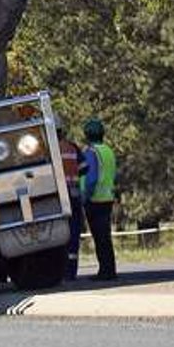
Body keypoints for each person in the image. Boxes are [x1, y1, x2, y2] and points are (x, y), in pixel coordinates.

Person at [80, 117, 118, 281]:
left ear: (87, 135)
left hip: (95, 200)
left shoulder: (91, 152)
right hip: (107, 198)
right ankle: (110, 269)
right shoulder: (108, 151)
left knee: (100, 238)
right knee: (105, 237)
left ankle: (105, 272)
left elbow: (92, 178)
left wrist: (85, 197)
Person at [55, 119, 84, 279]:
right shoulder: (72, 147)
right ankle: (71, 272)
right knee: (73, 232)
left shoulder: (47, 149)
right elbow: (84, 168)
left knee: (59, 233)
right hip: (73, 194)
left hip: (57, 197)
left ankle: (60, 270)